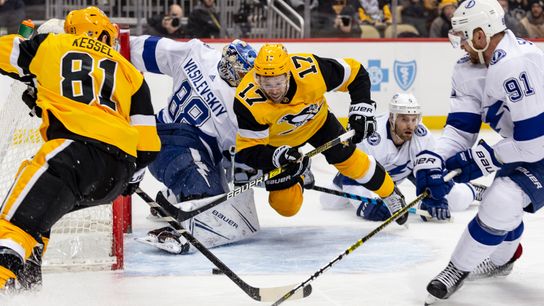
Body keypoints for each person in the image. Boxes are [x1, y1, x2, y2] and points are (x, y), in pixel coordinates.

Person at [0, 6, 160, 291]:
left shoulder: (52, 44)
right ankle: (25, 288)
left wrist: (32, 75)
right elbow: (147, 147)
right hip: (115, 175)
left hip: (73, 153)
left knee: (11, 226)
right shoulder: (131, 72)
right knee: (39, 215)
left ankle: (8, 275)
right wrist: (129, 180)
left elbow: (6, 53)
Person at [415, 0, 542, 303]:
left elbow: (535, 142)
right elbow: (461, 129)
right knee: (502, 200)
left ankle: (471, 265)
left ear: (481, 34)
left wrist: (482, 159)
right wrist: (432, 160)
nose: (459, 44)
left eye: (461, 35)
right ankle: (484, 264)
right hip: (529, 149)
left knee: (503, 199)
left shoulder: (516, 62)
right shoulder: (469, 68)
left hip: (537, 145)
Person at [233, 43, 409, 225]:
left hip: (318, 123)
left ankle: (390, 193)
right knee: (286, 207)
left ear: (288, 74)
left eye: (278, 82)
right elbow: (248, 150)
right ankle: (300, 175)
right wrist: (277, 157)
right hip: (279, 144)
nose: (274, 90)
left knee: (349, 161)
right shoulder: (247, 100)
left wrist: (361, 108)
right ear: (257, 78)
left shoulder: (311, 69)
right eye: (267, 84)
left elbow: (356, 72)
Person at [129, 35, 261, 254]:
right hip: (172, 139)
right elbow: (246, 166)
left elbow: (143, 48)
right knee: (212, 210)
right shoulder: (244, 107)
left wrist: (113, 43)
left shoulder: (198, 53)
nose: (244, 79)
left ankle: (175, 199)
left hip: (167, 138)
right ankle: (183, 218)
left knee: (225, 209)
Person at [320, 93, 486, 222]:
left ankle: (473, 190)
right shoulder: (371, 136)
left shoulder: (423, 137)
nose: (410, 125)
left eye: (414, 119)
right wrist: (365, 206)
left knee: (455, 200)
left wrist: (435, 198)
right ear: (392, 118)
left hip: (406, 172)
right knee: (328, 202)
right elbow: (353, 178)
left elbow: (434, 173)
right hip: (364, 176)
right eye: (404, 119)